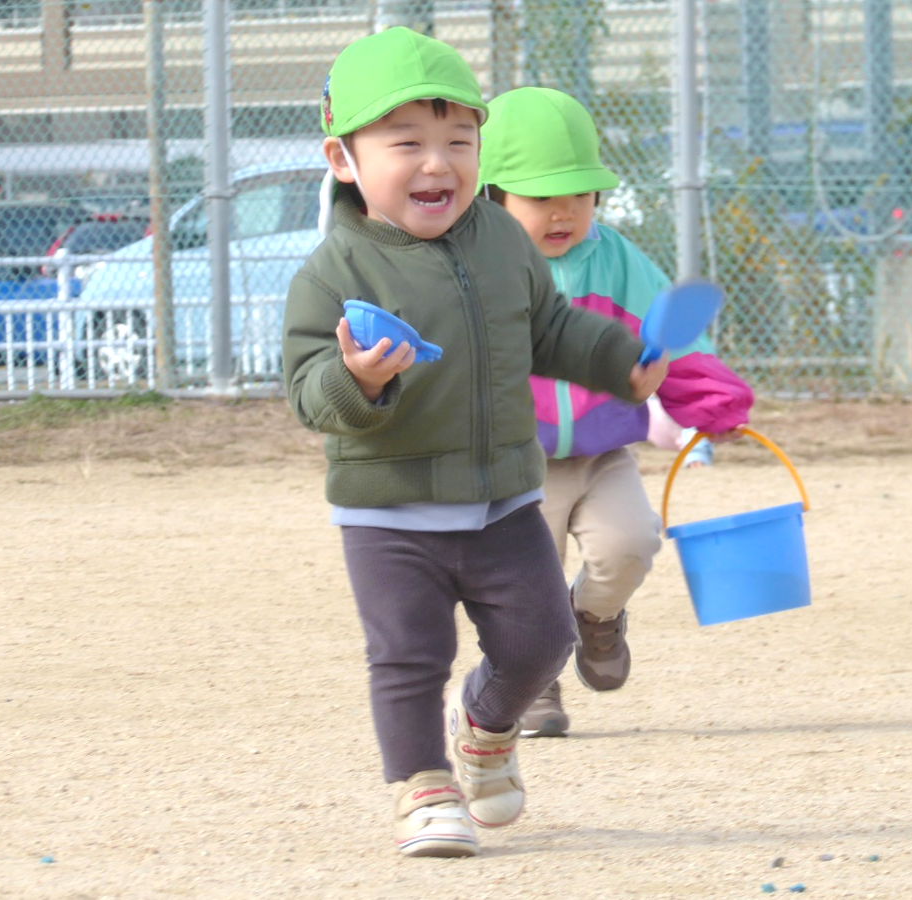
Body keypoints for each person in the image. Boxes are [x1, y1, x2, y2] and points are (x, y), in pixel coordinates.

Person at [281, 28, 669, 859]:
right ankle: (423, 787)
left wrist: (618, 359)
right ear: (344, 160)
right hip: (388, 512)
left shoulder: (501, 242)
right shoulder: (330, 272)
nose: (438, 164)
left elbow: (550, 329)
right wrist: (359, 379)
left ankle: (487, 725)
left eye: (459, 141)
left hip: (502, 499)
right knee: (408, 657)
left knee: (542, 640)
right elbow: (310, 392)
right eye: (406, 143)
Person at [477, 86, 745, 738]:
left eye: (579, 193)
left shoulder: (617, 259)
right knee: (521, 588)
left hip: (602, 452)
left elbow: (668, 339)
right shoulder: (480, 268)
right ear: (492, 198)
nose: (563, 210)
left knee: (630, 544)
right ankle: (532, 684)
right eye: (540, 197)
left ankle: (595, 618)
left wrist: (703, 394)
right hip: (517, 460)